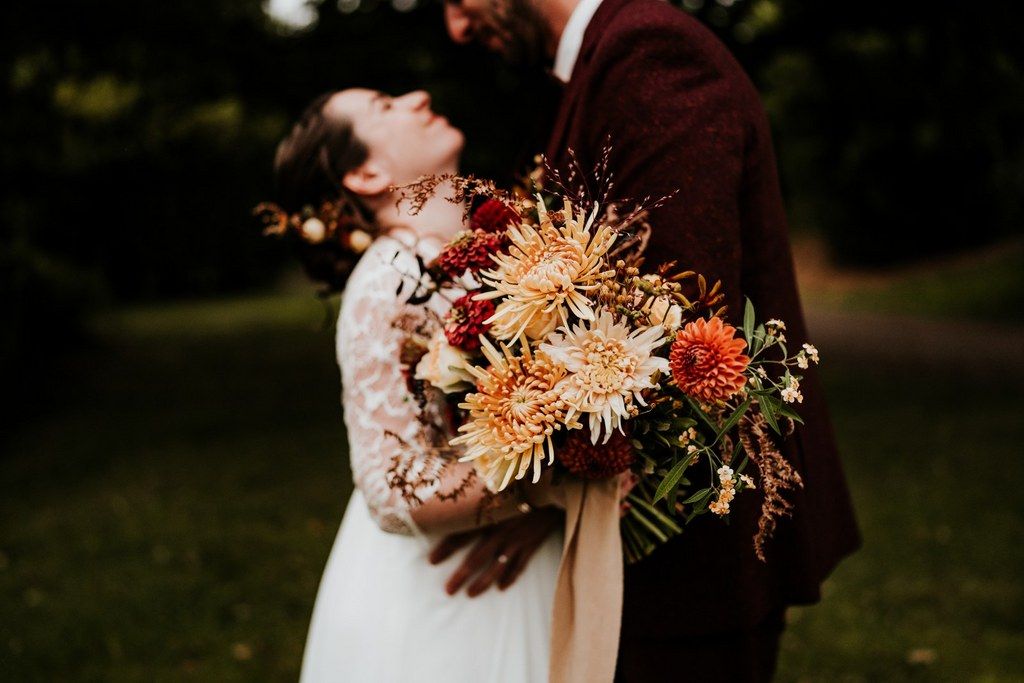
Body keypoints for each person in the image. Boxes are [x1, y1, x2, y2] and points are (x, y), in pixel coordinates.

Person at [437, 0, 862, 679]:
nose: (456, 28)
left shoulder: (650, 52)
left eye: (457, 2)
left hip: (692, 550)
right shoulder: (592, 68)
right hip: (641, 545)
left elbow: (677, 322)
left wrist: (548, 498)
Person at [273, 88, 564, 683]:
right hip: (453, 593)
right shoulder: (389, 283)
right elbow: (391, 488)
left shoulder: (494, 256)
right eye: (385, 105)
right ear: (366, 172)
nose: (419, 96)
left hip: (523, 552)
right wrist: (556, 482)